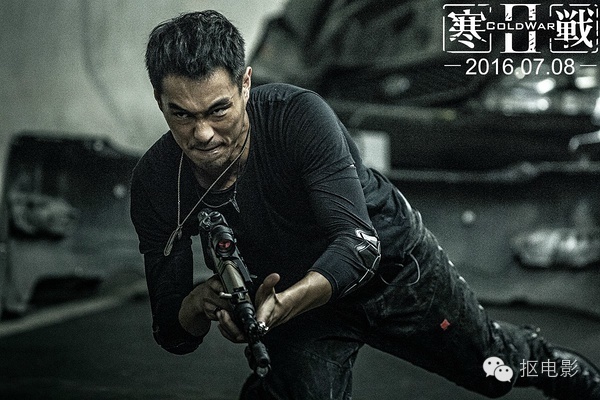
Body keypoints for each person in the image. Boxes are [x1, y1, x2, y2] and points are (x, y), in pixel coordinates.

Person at [130, 10, 600, 399]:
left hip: (393, 270)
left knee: (492, 370)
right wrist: (199, 304)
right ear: (159, 101)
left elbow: (358, 246)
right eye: (181, 114)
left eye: (219, 110)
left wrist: (283, 304)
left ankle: (555, 365)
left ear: (246, 85)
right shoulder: (157, 183)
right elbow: (172, 334)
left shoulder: (297, 116)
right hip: (305, 305)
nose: (202, 134)